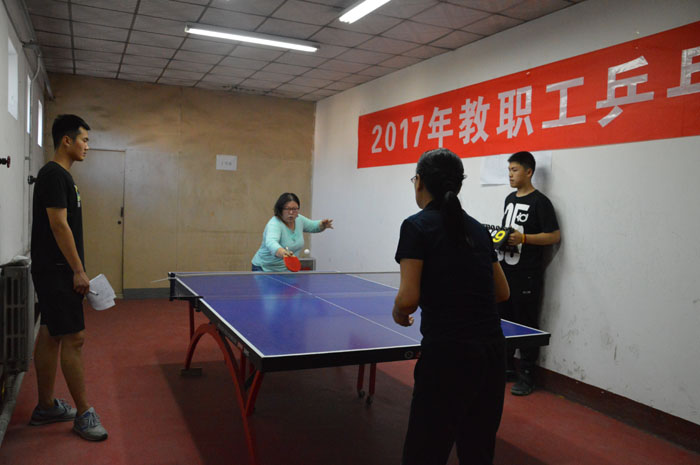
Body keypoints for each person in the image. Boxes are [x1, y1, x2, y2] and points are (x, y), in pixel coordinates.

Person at [393, 148, 510, 465]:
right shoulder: (478, 229)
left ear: (419, 182)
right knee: (477, 450)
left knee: (425, 452)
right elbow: (502, 291)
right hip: (491, 354)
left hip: (448, 356)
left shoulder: (416, 226)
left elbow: (408, 299)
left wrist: (398, 312)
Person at [29, 114, 108, 441]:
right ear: (67, 140)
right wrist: (77, 270)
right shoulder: (54, 175)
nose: (87, 146)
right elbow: (59, 225)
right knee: (74, 338)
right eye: (84, 140)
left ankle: (46, 406)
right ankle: (84, 413)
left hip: (52, 270)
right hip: (58, 271)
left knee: (50, 334)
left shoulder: (61, 177)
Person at [498, 151, 560, 396]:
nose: (510, 175)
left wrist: (524, 239)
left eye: (514, 170)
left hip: (527, 274)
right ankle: (506, 367)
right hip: (505, 271)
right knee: (503, 319)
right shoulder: (509, 199)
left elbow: (553, 236)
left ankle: (527, 374)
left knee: (525, 323)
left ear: (529, 172)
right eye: (509, 170)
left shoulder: (540, 202)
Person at [251, 193, 333, 271]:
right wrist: (284, 253)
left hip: (286, 270)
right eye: (287, 209)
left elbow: (313, 226)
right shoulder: (274, 224)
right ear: (280, 209)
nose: (291, 212)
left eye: (294, 209)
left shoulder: (299, 219)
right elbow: (271, 243)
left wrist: (322, 225)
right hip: (264, 268)